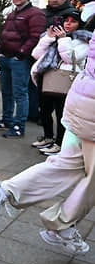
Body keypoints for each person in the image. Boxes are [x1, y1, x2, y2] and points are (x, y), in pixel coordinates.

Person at [0, 31, 95, 255]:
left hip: (83, 101)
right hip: (90, 110)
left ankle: (2, 191)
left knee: (66, 165)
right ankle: (62, 226)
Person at [29, 9, 91, 156]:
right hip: (47, 76)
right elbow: (36, 55)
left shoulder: (84, 40)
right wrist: (49, 38)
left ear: (79, 24)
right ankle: (48, 137)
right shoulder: (53, 36)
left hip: (65, 80)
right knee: (44, 110)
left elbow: (70, 58)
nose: (68, 24)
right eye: (66, 21)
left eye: (73, 21)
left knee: (61, 114)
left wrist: (63, 39)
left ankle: (59, 143)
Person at [0, 0, 46, 138]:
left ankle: (19, 125)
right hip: (6, 58)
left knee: (20, 93)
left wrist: (21, 54)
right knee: (6, 92)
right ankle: (6, 120)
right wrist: (0, 50)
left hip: (19, 60)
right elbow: (5, 33)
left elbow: (35, 37)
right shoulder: (12, 14)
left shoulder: (35, 14)